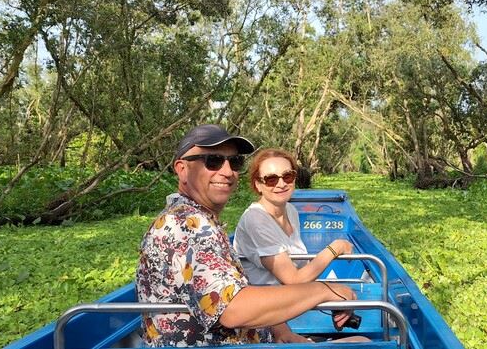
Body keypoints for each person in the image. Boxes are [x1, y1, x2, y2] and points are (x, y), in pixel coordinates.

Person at [136, 125, 358, 347]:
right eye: (213, 161)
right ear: (182, 169)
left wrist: (277, 328)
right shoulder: (186, 225)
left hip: (251, 337)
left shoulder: (195, 218)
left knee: (357, 341)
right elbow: (233, 309)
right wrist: (324, 290)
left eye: (234, 162)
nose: (227, 171)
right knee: (361, 342)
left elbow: (230, 291)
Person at [233, 148, 353, 286]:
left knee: (343, 294)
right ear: (258, 185)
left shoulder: (290, 211)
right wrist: (336, 248)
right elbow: (293, 280)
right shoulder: (256, 219)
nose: (282, 184)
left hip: (291, 295)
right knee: (342, 295)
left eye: (287, 176)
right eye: (271, 179)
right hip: (268, 301)